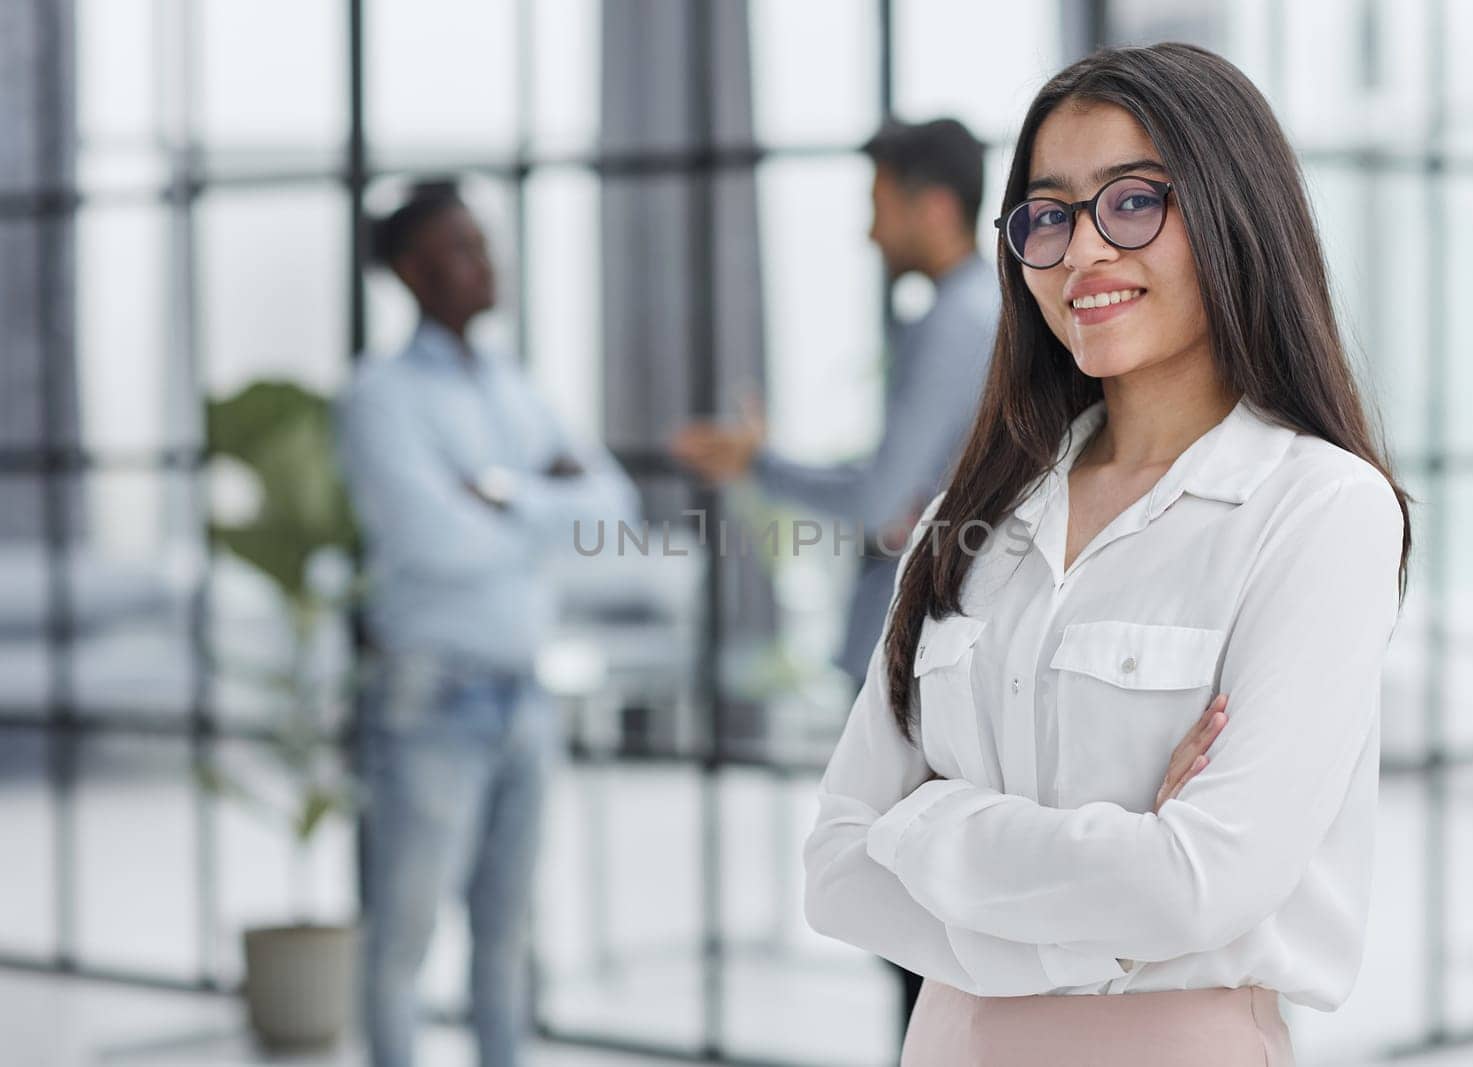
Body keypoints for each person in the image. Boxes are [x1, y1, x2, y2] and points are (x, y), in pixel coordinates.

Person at [802, 43, 1412, 1067]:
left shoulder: (1318, 509)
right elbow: (832, 870)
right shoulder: (971, 516)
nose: (1081, 252)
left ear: (1230, 211)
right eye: (1046, 215)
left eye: (1130, 203)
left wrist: (927, 823)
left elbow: (1199, 882)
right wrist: (1120, 888)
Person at [669, 116, 998, 1035]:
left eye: (878, 206)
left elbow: (878, 498)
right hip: (948, 647)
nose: (867, 231)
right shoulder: (988, 316)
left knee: (915, 927)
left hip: (927, 651)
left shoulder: (955, 321)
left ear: (932, 207)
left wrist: (755, 464)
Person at [337, 180, 638, 1067]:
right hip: (429, 699)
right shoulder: (379, 397)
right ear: (411, 270)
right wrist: (547, 506)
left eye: (484, 243)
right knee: (403, 942)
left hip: (523, 696)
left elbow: (613, 510)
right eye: (460, 248)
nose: (484, 263)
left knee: (506, 941)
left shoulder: (512, 385)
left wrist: (499, 492)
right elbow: (433, 541)